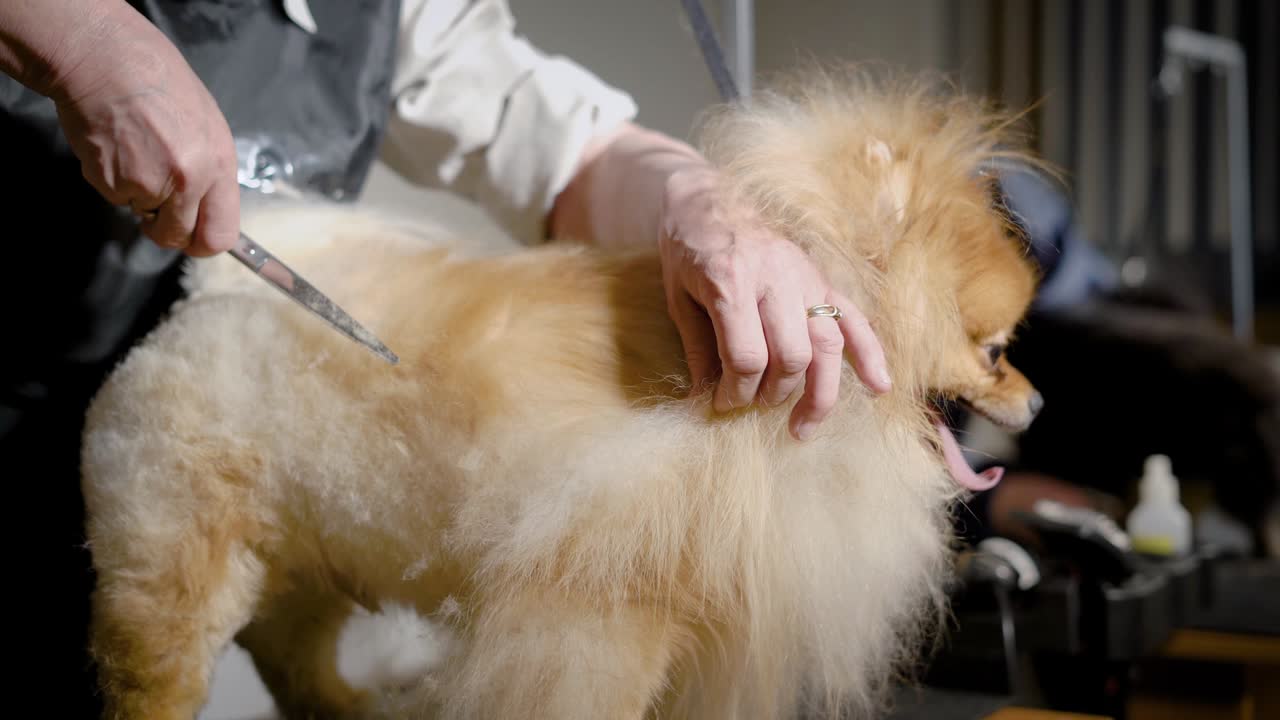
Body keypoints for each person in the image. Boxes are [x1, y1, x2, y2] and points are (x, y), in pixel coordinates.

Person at [0, 0, 890, 714]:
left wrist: (703, 204)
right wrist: (83, 37)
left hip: (203, 415)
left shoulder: (398, 13)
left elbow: (565, 152)